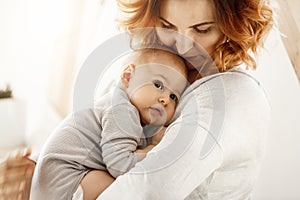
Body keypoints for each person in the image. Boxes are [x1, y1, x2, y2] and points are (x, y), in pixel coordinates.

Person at [0, 0, 274, 199]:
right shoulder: (140, 73)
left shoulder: (231, 97)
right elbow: (92, 130)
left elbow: (147, 190)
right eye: (168, 26)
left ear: (232, 26)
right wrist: (32, 169)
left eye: (201, 30)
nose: (180, 45)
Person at [30, 48, 188, 200]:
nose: (165, 100)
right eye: (158, 85)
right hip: (63, 182)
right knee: (128, 191)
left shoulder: (119, 104)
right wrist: (152, 149)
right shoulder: (122, 111)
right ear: (128, 76)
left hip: (48, 182)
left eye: (173, 96)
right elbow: (120, 165)